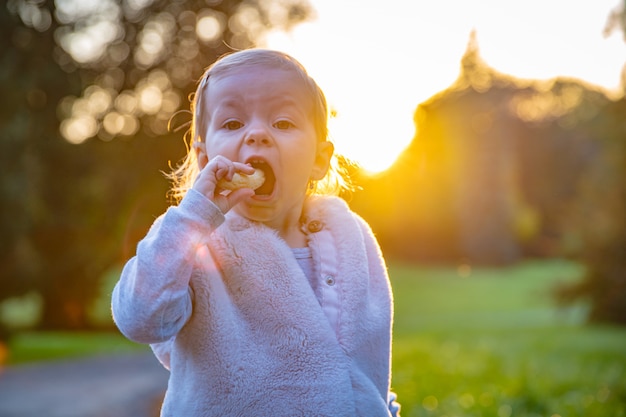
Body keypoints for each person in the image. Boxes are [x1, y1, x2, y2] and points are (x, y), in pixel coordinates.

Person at [111, 48, 400, 417]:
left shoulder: (352, 241)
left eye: (282, 123)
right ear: (204, 160)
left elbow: (367, 358)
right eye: (232, 124)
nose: (257, 134)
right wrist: (195, 216)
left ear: (318, 159)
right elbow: (140, 316)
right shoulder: (194, 242)